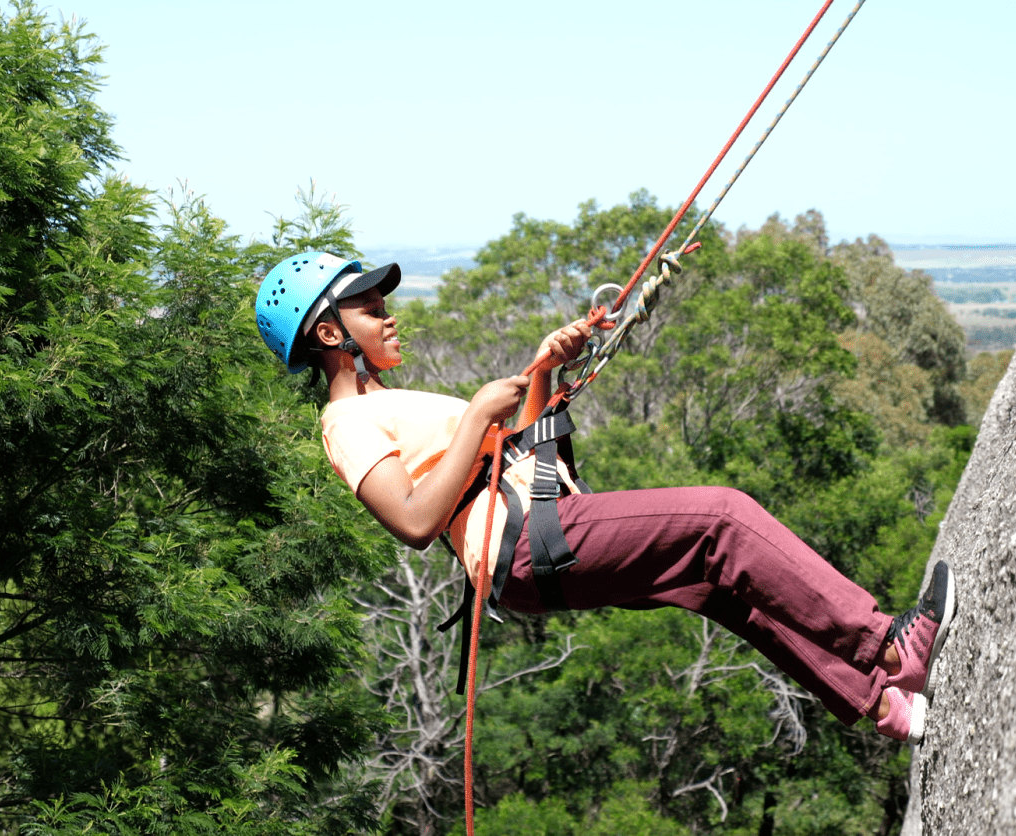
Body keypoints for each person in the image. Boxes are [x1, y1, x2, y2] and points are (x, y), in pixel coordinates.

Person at [254, 251, 957, 743]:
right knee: (720, 518)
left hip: (532, 534)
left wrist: (542, 367)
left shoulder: (390, 400)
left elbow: (519, 447)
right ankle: (888, 648)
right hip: (522, 546)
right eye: (372, 309)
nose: (389, 316)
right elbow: (412, 521)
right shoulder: (344, 423)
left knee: (717, 582)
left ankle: (879, 701)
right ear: (328, 333)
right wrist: (473, 416)